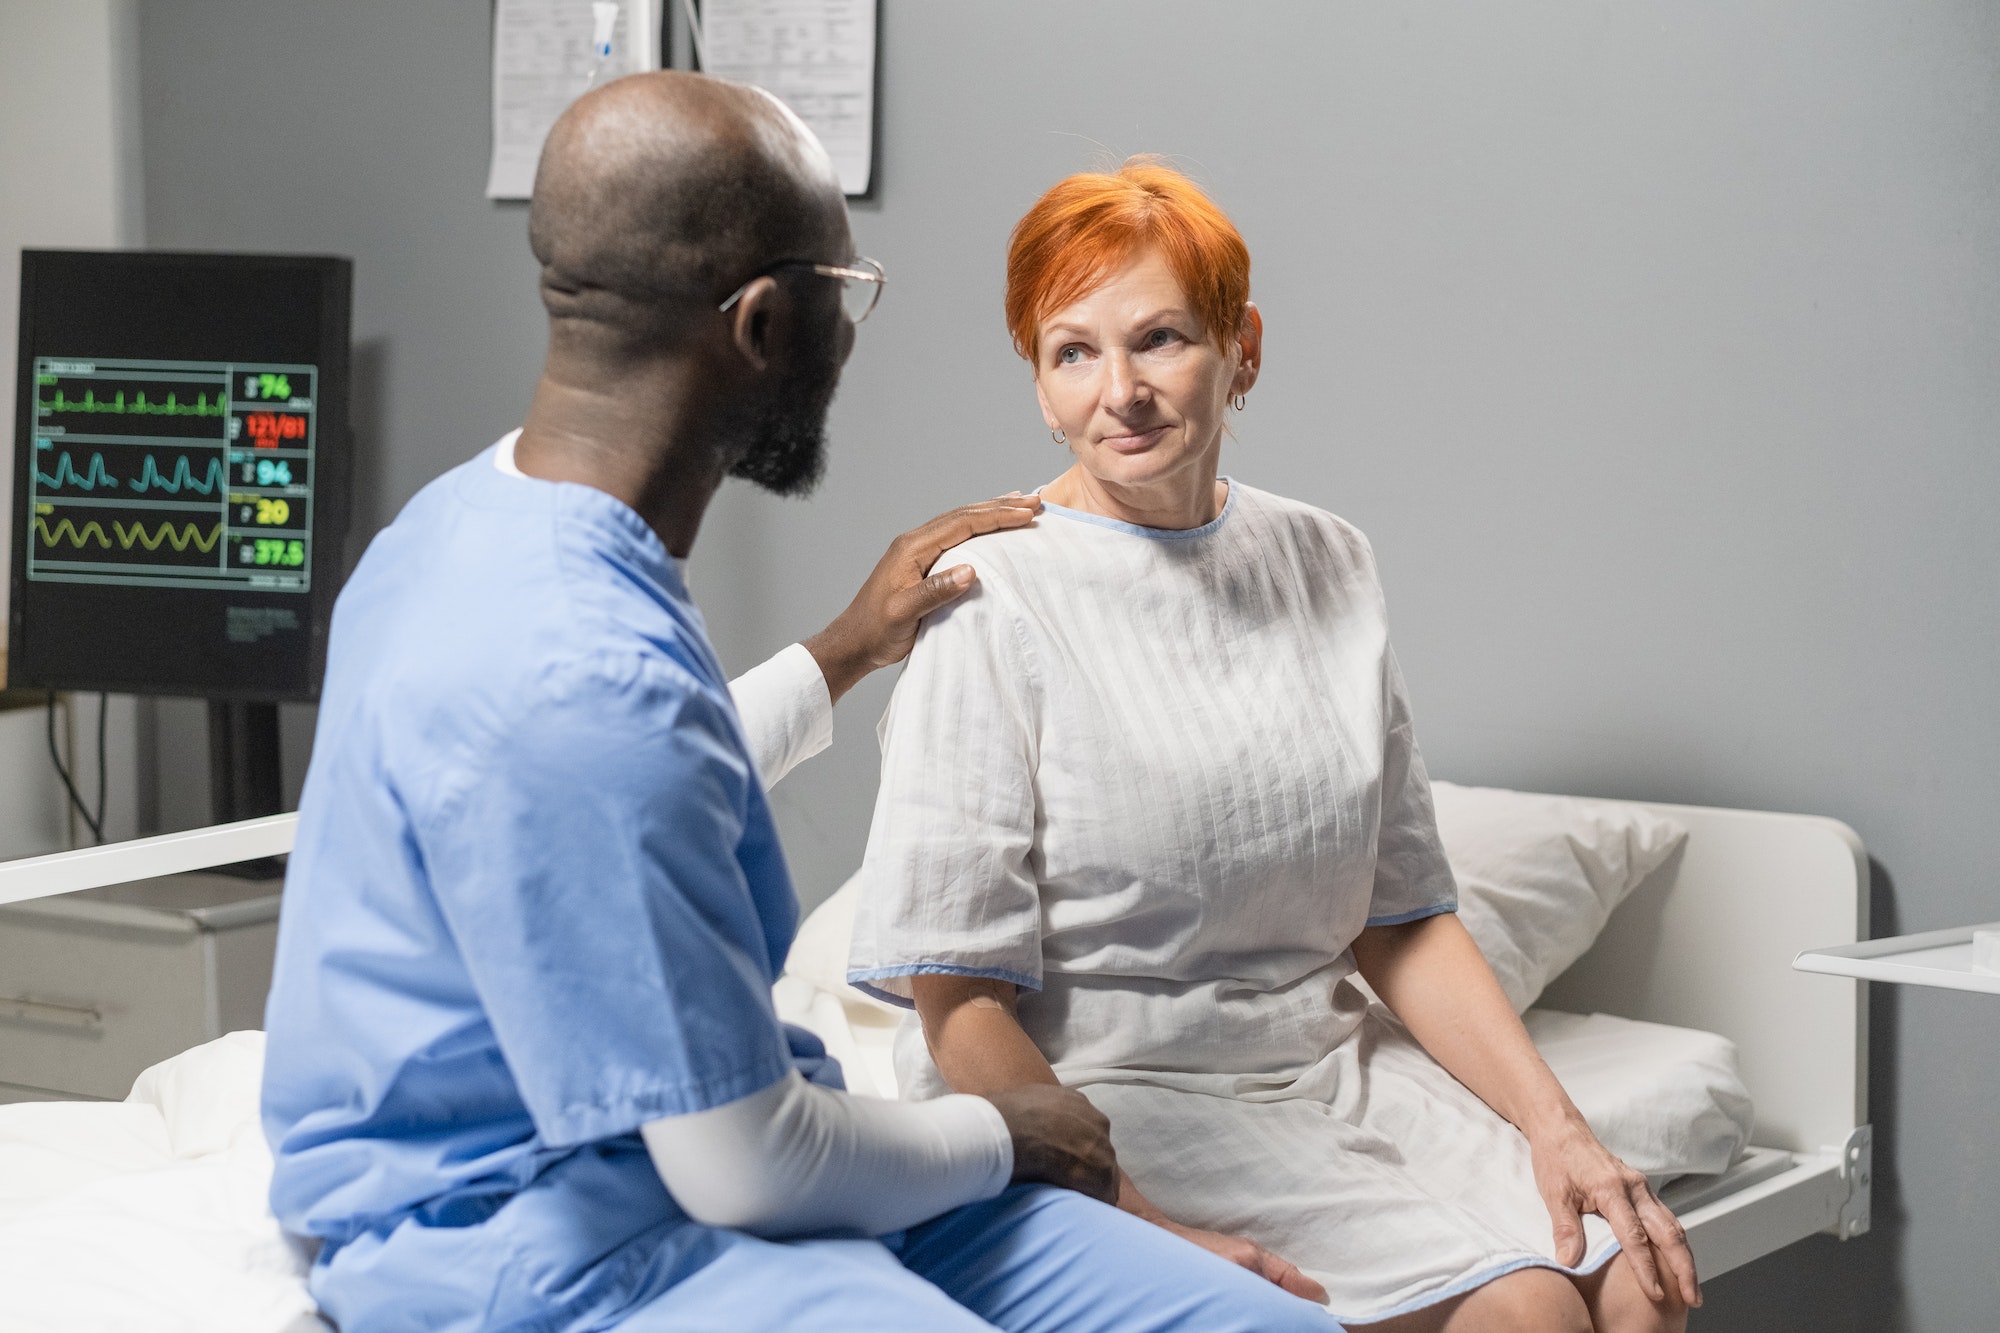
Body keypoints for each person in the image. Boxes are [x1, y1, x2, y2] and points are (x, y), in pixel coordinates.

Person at [260, 76, 1341, 1333]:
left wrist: (840, 650)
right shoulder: (578, 674)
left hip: (723, 1155)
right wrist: (1012, 1128)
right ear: (764, 323)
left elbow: (619, 795)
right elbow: (746, 1163)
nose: (851, 331)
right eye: (845, 289)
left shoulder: (471, 526)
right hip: (551, 1226)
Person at [847, 159, 1703, 1333]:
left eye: (1158, 339)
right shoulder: (991, 595)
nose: (1119, 392)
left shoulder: (1325, 559)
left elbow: (1398, 918)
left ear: (1239, 348)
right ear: (1038, 385)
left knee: (1639, 1283)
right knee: (1528, 1312)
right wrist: (1134, 1220)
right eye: (1072, 352)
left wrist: (1561, 1130)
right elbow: (956, 1005)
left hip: (1328, 1060)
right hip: (1113, 1089)